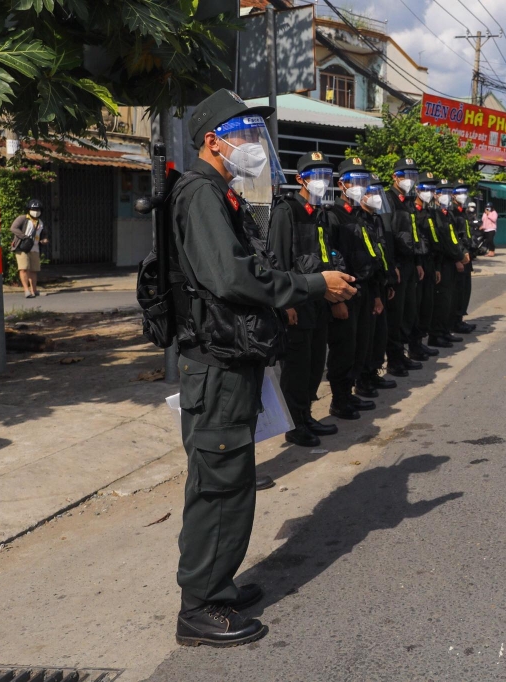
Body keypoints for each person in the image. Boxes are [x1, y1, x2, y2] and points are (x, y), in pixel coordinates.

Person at [169, 89, 357, 647]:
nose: (255, 145)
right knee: (219, 484)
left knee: (233, 479)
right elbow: (231, 278)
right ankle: (199, 607)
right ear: (213, 142)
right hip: (216, 367)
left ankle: (218, 585)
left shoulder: (219, 193)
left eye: (256, 135)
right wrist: (312, 284)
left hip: (233, 362)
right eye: (244, 135)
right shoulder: (199, 194)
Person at [267, 152, 341, 448]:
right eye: (316, 175)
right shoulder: (288, 211)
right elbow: (279, 260)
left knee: (313, 364)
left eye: (327, 175)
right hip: (297, 301)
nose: (323, 181)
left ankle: (306, 415)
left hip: (319, 299)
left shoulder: (321, 212)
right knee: (296, 369)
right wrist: (287, 303)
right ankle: (294, 426)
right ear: (301, 179)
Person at [326, 158, 383, 419]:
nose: (360, 186)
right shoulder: (332, 216)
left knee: (361, 345)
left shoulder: (361, 216)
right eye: (355, 182)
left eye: (363, 181)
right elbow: (331, 258)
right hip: (345, 291)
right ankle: (338, 400)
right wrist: (336, 300)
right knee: (344, 348)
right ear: (342, 184)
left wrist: (376, 292)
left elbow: (370, 253)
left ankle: (349, 393)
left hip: (364, 289)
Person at [357, 179, 398, 398]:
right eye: (371, 192)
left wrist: (388, 279)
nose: (375, 196)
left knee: (379, 333)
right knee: (366, 336)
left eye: (377, 192)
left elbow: (383, 253)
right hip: (367, 285)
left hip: (379, 283)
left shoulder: (377, 220)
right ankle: (363, 379)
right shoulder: (358, 219)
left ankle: (373, 372)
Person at [384, 158, 425, 377]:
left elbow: (414, 234)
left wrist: (418, 262)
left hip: (410, 263)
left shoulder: (408, 201)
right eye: (405, 175)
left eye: (412, 176)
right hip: (398, 264)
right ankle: (394, 359)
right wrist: (392, 267)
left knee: (409, 311)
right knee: (396, 314)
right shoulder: (388, 199)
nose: (409, 180)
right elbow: (387, 236)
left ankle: (404, 354)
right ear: (395, 177)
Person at [405, 172, 441, 361]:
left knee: (427, 304)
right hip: (418, 261)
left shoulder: (429, 211)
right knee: (416, 306)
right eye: (425, 188)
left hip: (428, 260)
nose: (430, 192)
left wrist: (434, 266)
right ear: (417, 189)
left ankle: (420, 342)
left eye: (432, 189)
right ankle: (413, 346)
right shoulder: (412, 210)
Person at [427, 179, 467, 348]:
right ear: (436, 194)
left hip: (450, 260)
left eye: (449, 193)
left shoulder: (447, 213)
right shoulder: (434, 213)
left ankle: (444, 331)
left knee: (448, 299)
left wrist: (459, 254)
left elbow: (453, 238)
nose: (447, 196)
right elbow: (442, 241)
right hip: (442, 261)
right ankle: (436, 335)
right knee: (441, 300)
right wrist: (457, 257)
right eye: (443, 192)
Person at [449, 181, 476, 335]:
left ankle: (459, 320)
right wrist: (458, 257)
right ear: (453, 195)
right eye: (459, 192)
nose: (463, 195)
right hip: (460, 255)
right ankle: (454, 322)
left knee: (465, 290)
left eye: (465, 192)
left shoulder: (462, 211)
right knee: (458, 292)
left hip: (467, 255)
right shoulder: (452, 212)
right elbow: (454, 237)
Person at [10, 199, 49, 298]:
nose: (36, 211)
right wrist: (25, 237)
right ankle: (26, 290)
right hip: (22, 247)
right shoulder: (22, 218)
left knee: (33, 270)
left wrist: (44, 240)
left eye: (38, 209)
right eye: (33, 209)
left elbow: (44, 235)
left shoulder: (40, 222)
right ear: (29, 209)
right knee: (23, 268)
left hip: (35, 248)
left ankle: (34, 291)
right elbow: (13, 228)